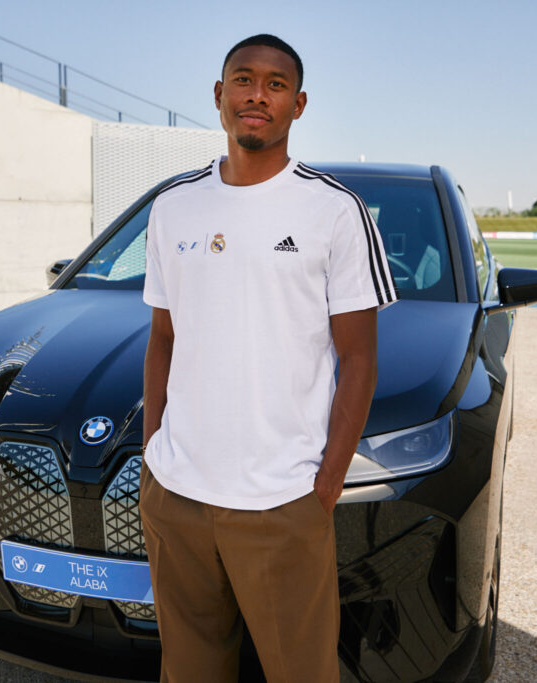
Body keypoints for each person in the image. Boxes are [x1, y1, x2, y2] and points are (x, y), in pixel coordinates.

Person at [138, 34, 397, 682]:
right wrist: (152, 455)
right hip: (178, 497)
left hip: (282, 504)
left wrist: (327, 481)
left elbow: (360, 359)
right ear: (219, 95)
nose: (258, 94)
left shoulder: (335, 211)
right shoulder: (173, 208)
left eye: (276, 84)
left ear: (299, 104)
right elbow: (163, 338)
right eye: (244, 79)